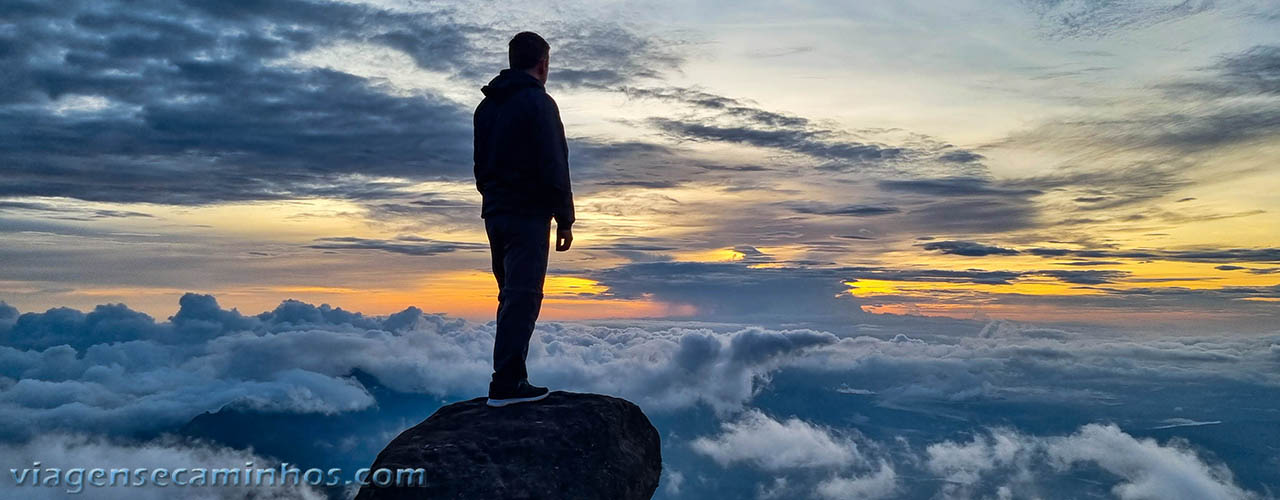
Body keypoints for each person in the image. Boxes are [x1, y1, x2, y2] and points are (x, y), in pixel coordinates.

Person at [473, 31, 574, 407]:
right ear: (543, 63)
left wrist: (494, 198)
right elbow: (554, 162)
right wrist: (564, 218)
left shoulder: (486, 108)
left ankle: (512, 376)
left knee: (510, 294)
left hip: (496, 213)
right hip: (528, 214)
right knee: (524, 295)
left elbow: (479, 167)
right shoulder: (539, 103)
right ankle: (508, 383)